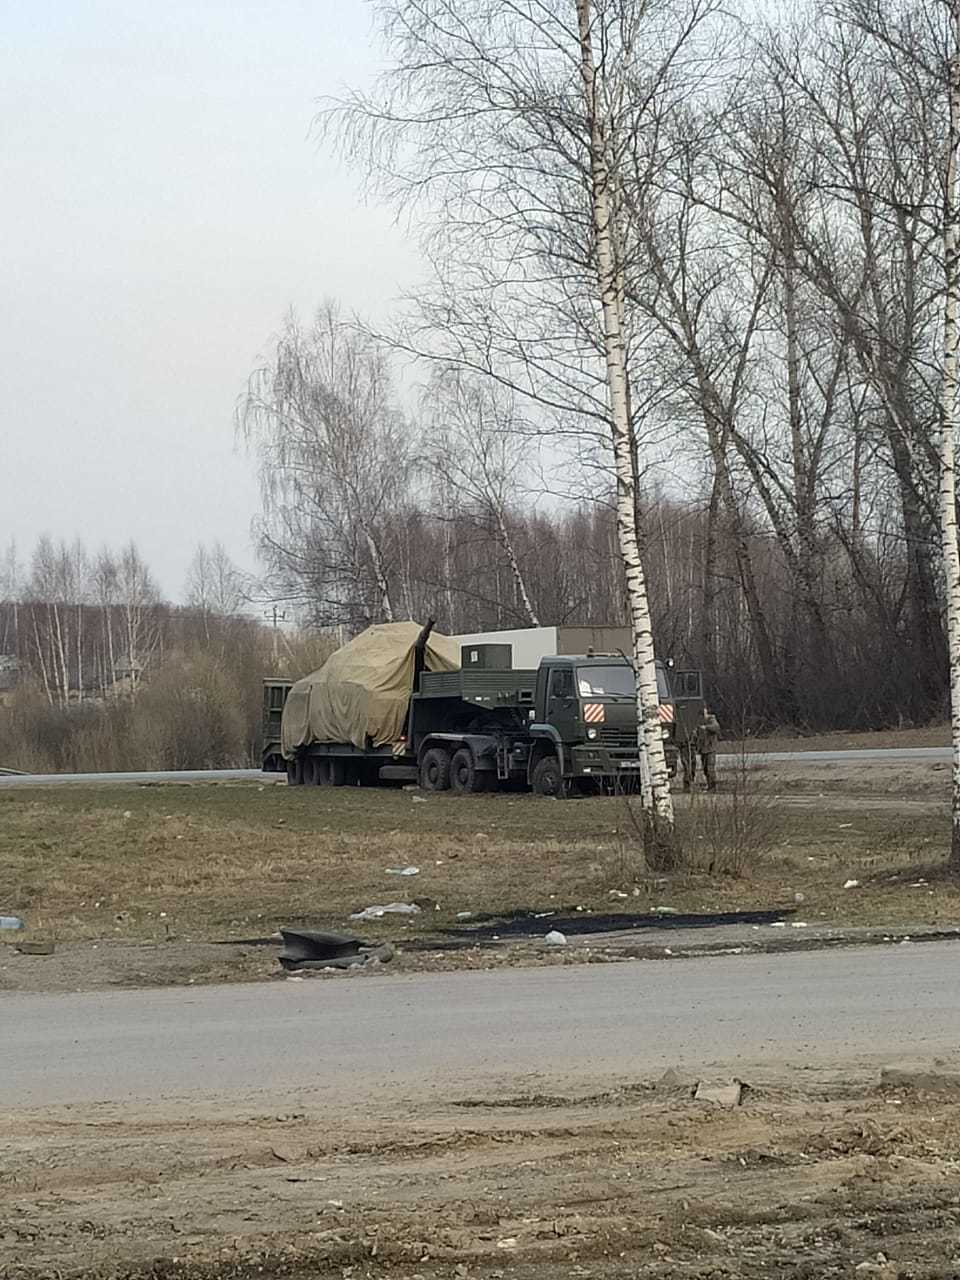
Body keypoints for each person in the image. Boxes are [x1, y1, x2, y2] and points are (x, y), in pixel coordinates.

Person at [695, 706, 721, 790]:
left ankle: (712, 786)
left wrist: (706, 727)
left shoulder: (711, 720)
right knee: (705, 769)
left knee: (710, 768)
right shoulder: (699, 722)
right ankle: (709, 785)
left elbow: (716, 727)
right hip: (703, 750)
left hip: (710, 749)